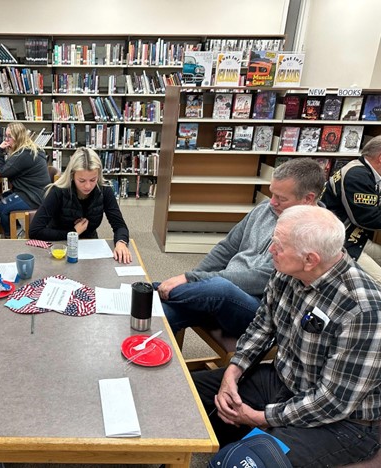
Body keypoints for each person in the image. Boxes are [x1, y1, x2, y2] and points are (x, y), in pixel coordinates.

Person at [193, 205, 381, 467]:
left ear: (310, 259)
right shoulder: (287, 271)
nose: (270, 250)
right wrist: (232, 373)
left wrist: (260, 417)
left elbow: (333, 401)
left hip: (341, 422)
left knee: (237, 462)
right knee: (185, 394)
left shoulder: (363, 310)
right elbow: (262, 327)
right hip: (283, 381)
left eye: (279, 246)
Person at [153, 158, 325, 338]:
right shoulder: (265, 209)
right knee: (163, 314)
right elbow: (227, 248)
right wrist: (196, 281)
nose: (272, 202)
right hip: (217, 296)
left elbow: (260, 279)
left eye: (281, 198)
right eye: (272, 194)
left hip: (259, 311)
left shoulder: (315, 234)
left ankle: (151, 289)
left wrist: (192, 279)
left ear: (308, 199)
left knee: (221, 288)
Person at [29, 147, 132, 263]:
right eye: (82, 181)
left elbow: (119, 225)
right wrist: (73, 232)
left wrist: (121, 242)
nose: (88, 186)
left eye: (93, 180)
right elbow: (35, 231)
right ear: (72, 175)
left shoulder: (104, 190)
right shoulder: (58, 191)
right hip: (59, 246)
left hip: (90, 247)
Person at [321, 135, 381, 282]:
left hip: (356, 238)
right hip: (340, 242)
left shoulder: (365, 171)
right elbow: (367, 219)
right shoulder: (357, 176)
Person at [0, 122, 50, 236]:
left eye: (9, 137)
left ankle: (11, 237)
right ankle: (16, 229)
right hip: (32, 191)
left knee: (2, 207)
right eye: (6, 136)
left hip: (34, 196)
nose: (6, 140)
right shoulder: (27, 149)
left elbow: (0, 170)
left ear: (18, 138)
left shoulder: (23, 154)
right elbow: (5, 168)